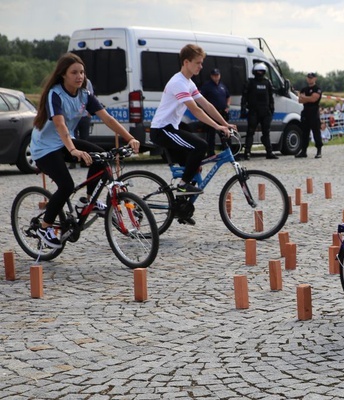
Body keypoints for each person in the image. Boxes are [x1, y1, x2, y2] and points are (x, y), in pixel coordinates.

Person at [30, 53, 141, 249]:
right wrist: (73, 149)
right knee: (66, 185)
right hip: (45, 148)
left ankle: (87, 202)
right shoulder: (55, 94)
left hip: (66, 142)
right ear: (63, 74)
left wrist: (130, 137)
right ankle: (44, 226)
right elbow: (60, 124)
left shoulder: (84, 94)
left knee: (101, 157)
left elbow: (108, 119)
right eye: (74, 72)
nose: (79, 76)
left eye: (82, 72)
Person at [150, 44, 234, 198]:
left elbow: (207, 105)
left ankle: (181, 207)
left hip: (171, 129)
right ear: (186, 62)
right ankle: (182, 186)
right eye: (198, 63)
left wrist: (225, 124)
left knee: (193, 170)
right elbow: (196, 110)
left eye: (201, 63)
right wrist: (216, 126)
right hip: (162, 130)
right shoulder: (178, 82)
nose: (201, 67)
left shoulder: (189, 82)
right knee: (201, 146)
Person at [241, 62, 277, 159]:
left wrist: (272, 108)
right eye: (258, 71)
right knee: (250, 132)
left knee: (266, 132)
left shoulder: (267, 82)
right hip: (254, 111)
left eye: (262, 71)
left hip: (265, 112)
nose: (260, 73)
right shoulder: (250, 82)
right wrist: (243, 108)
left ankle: (269, 152)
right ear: (254, 72)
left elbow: (271, 96)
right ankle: (247, 152)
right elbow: (244, 96)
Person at [199, 68, 231, 157]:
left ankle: (228, 153)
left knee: (225, 134)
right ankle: (211, 153)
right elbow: (201, 98)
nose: (216, 77)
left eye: (217, 75)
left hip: (222, 113)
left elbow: (228, 96)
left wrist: (227, 106)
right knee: (211, 135)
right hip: (211, 114)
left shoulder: (222, 86)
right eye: (214, 75)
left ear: (220, 75)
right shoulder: (207, 86)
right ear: (211, 76)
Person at [297, 72, 324, 158]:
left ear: (315, 79)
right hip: (305, 112)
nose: (310, 79)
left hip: (314, 112)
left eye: (311, 78)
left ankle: (319, 150)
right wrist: (308, 98)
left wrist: (305, 98)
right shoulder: (304, 89)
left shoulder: (317, 89)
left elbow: (314, 99)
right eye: (308, 78)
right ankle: (303, 151)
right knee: (304, 132)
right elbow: (300, 100)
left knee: (316, 132)